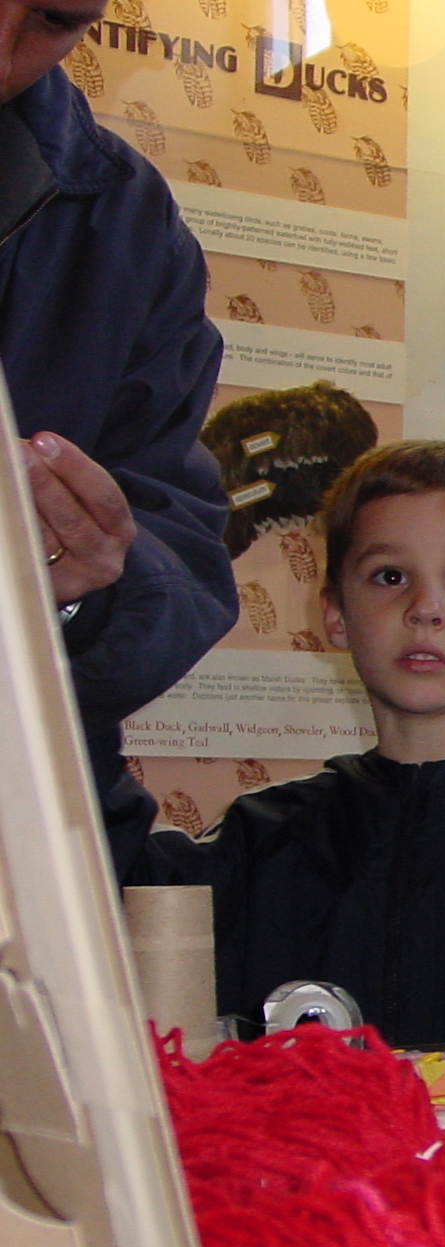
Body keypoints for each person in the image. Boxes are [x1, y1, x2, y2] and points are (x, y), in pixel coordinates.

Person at [120, 442, 445, 1047]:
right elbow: (96, 886)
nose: (425, 608)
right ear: (336, 616)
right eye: (390, 577)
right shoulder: (262, 836)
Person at [0, 13, 238, 863]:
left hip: (31, 849)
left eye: (56, 19)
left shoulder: (126, 221)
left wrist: (74, 597)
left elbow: (183, 559)